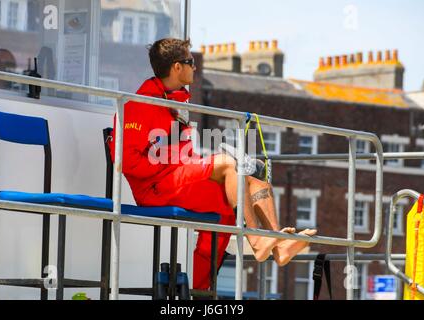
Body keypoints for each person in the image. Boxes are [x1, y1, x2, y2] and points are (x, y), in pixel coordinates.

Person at [109, 38, 317, 291]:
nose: (194, 68)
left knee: (249, 184)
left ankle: (274, 247)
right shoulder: (139, 105)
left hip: (175, 181)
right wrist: (172, 166)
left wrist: (188, 165)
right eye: (190, 62)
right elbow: (126, 162)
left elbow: (180, 155)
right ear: (176, 67)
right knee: (229, 165)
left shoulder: (174, 102)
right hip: (153, 189)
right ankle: (259, 241)